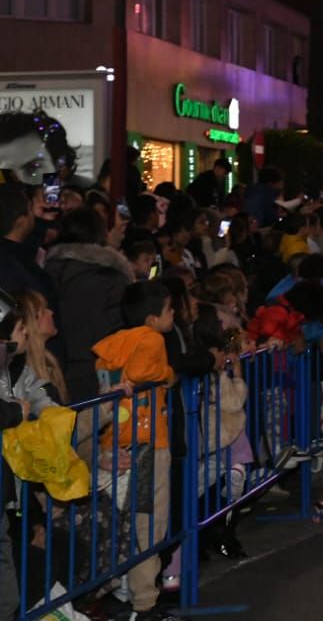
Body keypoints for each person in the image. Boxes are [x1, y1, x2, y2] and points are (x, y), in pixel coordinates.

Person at [94, 280, 178, 621]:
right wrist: (168, 373)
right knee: (149, 525)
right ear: (152, 318)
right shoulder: (152, 339)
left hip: (114, 440)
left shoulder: (113, 343)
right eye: (170, 309)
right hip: (147, 443)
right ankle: (145, 602)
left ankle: (119, 590)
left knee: (121, 522)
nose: (173, 315)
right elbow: (143, 372)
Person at [43, 207, 134, 402]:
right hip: (94, 371)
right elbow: (119, 329)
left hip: (47, 368)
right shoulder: (111, 276)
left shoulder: (44, 270)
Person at [0, 183, 51, 296]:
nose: (33, 215)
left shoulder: (15, 256)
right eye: (30, 210)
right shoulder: (14, 270)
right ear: (21, 221)